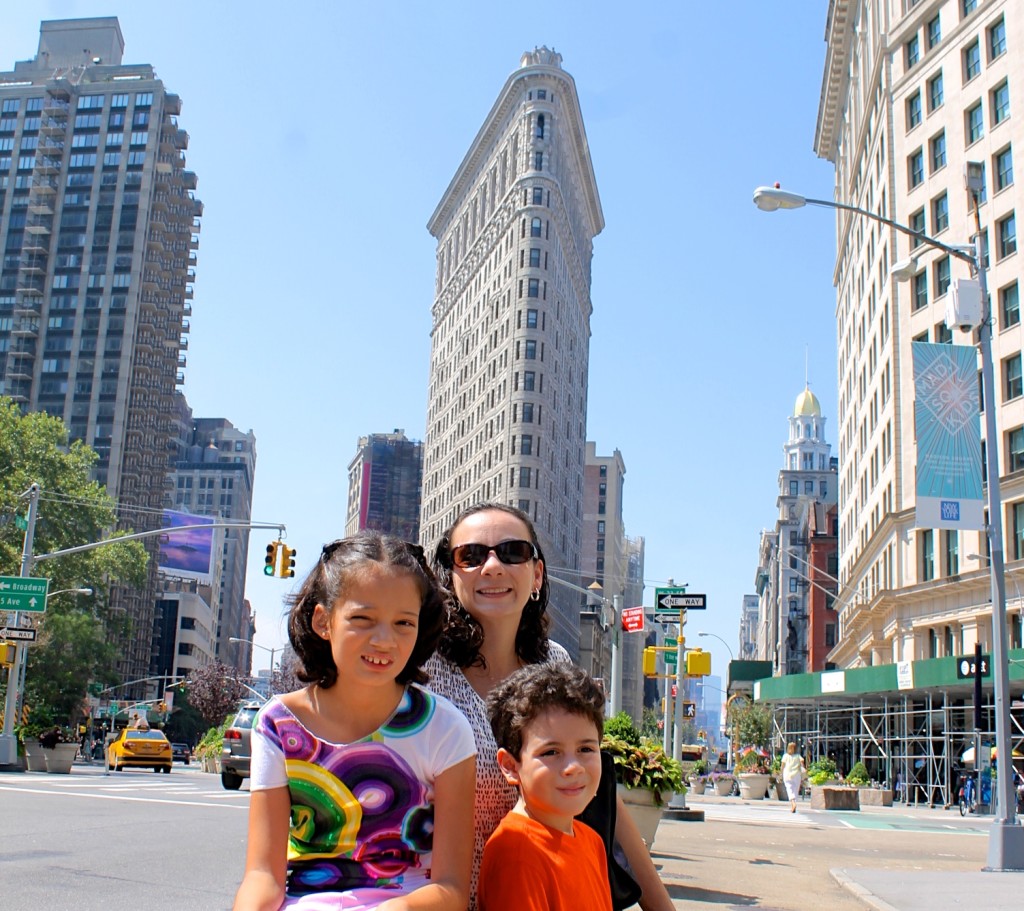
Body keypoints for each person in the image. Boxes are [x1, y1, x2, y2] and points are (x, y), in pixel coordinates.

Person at [426, 502, 675, 911]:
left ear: (537, 574)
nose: (491, 567)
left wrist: (660, 905)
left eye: (513, 552)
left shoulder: (555, 661)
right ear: (451, 576)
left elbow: (599, 792)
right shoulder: (421, 672)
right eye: (470, 555)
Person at [233, 532, 476, 911]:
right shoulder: (278, 724)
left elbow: (451, 890)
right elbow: (263, 876)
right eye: (363, 619)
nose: (384, 640)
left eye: (403, 623)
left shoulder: (444, 729)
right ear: (323, 621)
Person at [477, 663, 611, 911]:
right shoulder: (516, 854)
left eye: (586, 749)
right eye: (551, 752)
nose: (573, 767)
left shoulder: (592, 842)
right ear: (510, 766)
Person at [780, 742, 806, 813]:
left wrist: (780, 773)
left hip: (787, 774)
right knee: (795, 790)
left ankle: (793, 804)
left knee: (789, 789)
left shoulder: (785, 756)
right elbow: (802, 763)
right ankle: (794, 804)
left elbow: (782, 766)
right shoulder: (798, 756)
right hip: (797, 774)